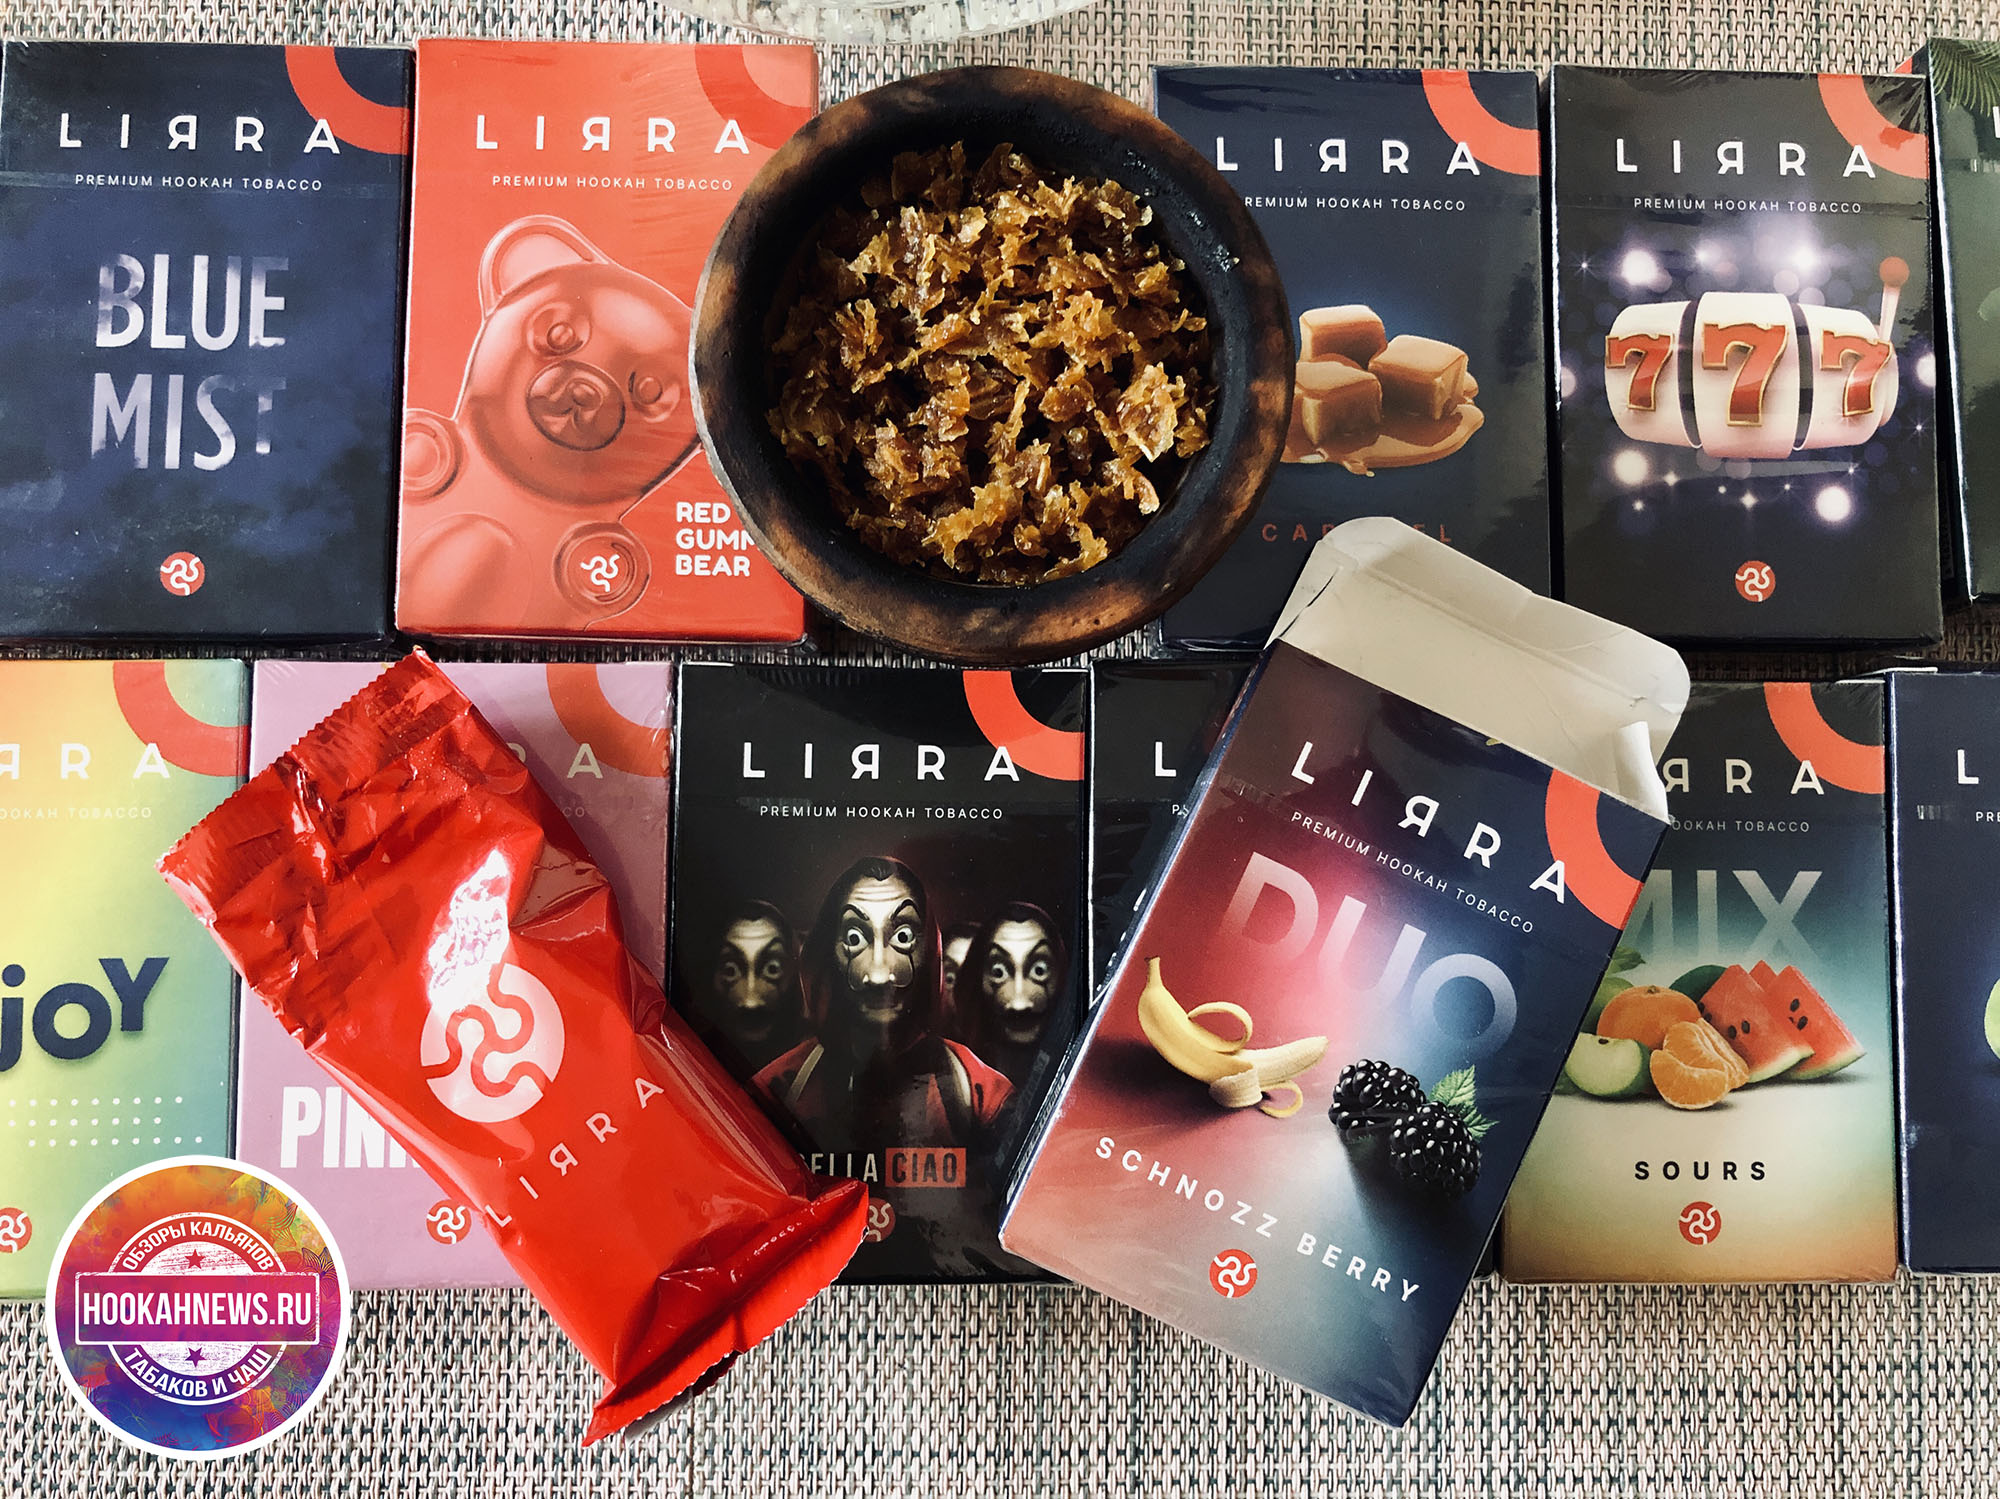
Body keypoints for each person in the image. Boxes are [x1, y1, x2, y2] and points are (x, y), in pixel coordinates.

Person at [754, 856, 1011, 1151]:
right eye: (854, 938)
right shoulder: (779, 1089)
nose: (878, 975)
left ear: (930, 948)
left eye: (903, 937)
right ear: (828, 951)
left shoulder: (979, 1095)